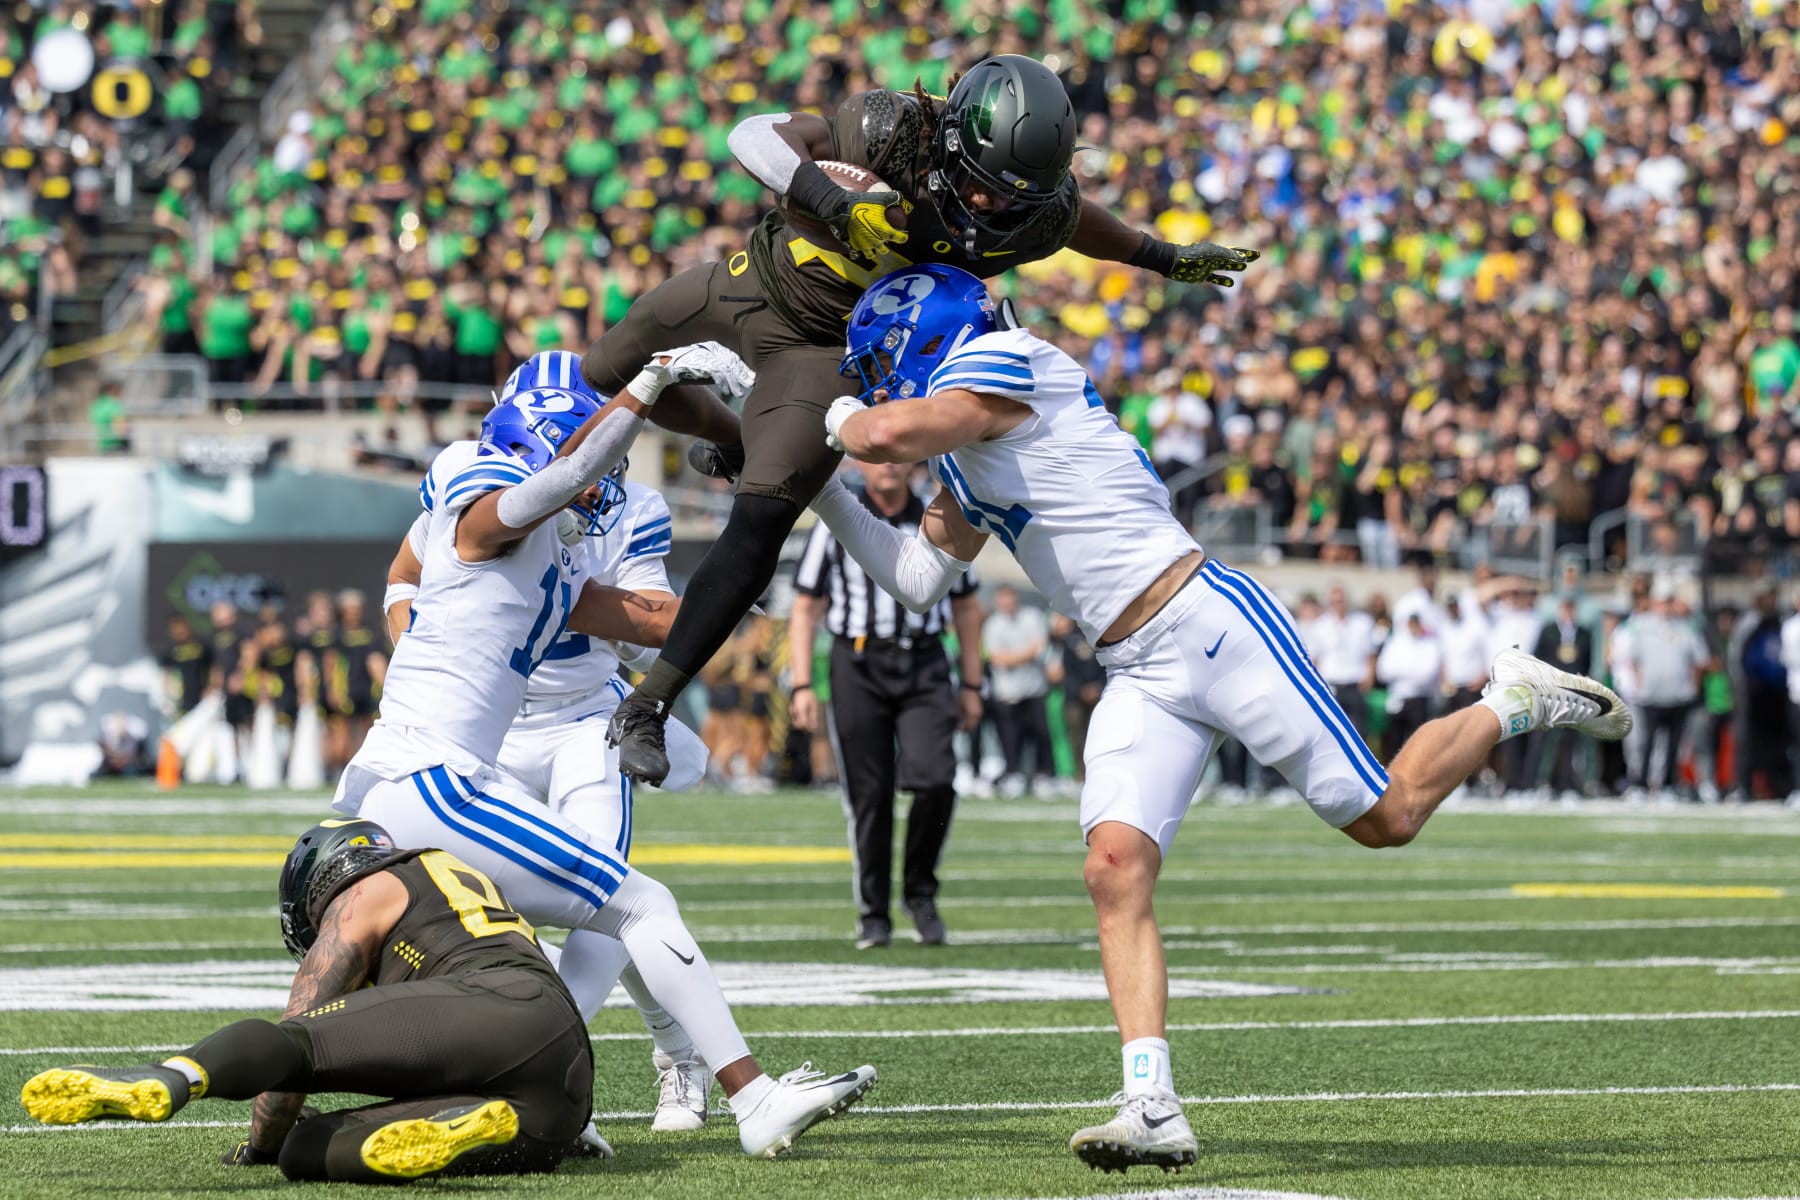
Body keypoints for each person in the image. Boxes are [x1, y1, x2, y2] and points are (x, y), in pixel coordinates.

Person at [806, 265, 1631, 1172]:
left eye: (882, 363)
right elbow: (916, 578)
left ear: (924, 340)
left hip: (1210, 625)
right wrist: (820, 490)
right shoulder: (965, 447)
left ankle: (1511, 699)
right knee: (1112, 869)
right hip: (1135, 668)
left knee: (1388, 818)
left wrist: (816, 415)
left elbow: (883, 431)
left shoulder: (1011, 358)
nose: (878, 382)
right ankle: (1151, 1102)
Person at [589, 54, 1260, 788]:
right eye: (977, 178)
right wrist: (835, 202)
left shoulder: (1031, 209)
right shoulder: (891, 129)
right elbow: (756, 137)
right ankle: (731, 436)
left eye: (1009, 196)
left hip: (825, 350)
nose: (986, 202)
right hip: (757, 280)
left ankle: (649, 705)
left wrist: (1161, 256)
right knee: (602, 372)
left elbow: (1071, 223)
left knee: (766, 514)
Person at [333, 374, 875, 1158]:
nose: (606, 483)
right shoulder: (474, 494)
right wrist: (646, 385)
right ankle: (593, 1085)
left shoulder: (557, 560)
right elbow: (529, 499)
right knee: (623, 905)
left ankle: (553, 1085)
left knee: (601, 904)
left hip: (536, 737)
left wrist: (743, 575)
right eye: (590, 459)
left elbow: (647, 619)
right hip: (442, 771)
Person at [385, 349, 721, 1133]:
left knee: (607, 893)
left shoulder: (632, 506)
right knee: (508, 908)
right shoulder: (472, 476)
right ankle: (668, 1045)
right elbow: (406, 573)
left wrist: (617, 619)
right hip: (489, 729)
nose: (586, 458)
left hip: (583, 719)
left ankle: (558, 1067)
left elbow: (650, 623)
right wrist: (427, 641)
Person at [21, 819, 596, 1181]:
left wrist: (260, 1146)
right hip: (560, 1093)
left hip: (493, 1007)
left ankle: (171, 1076)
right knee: (308, 1153)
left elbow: (298, 1034)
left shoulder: (369, 889)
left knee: (298, 1045)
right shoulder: (451, 880)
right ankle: (468, 1123)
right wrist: (289, 1143)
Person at [788, 460, 983, 950]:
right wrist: (803, 685)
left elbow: (965, 606)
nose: (889, 465)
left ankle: (920, 891)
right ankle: (874, 913)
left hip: (925, 663)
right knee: (868, 795)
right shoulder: (839, 518)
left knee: (936, 779)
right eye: (878, 455)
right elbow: (806, 606)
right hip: (857, 664)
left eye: (898, 454)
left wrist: (973, 684)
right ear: (857, 461)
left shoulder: (941, 517)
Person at [983, 585, 1055, 795]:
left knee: (1041, 733)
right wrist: (1025, 654)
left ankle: (1044, 775)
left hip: (1034, 689)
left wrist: (1013, 657)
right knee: (1010, 738)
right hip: (1007, 693)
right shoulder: (993, 624)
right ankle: (1013, 775)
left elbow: (1040, 647)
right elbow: (997, 659)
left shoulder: (1032, 617)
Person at [1047, 612, 1105, 782]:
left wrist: (1098, 687)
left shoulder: (1101, 633)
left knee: (1098, 737)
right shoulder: (1068, 638)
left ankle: (1098, 775)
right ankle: (1079, 775)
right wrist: (1080, 689)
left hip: (1099, 695)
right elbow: (1067, 670)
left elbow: (1108, 664)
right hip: (1074, 697)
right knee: (1076, 738)